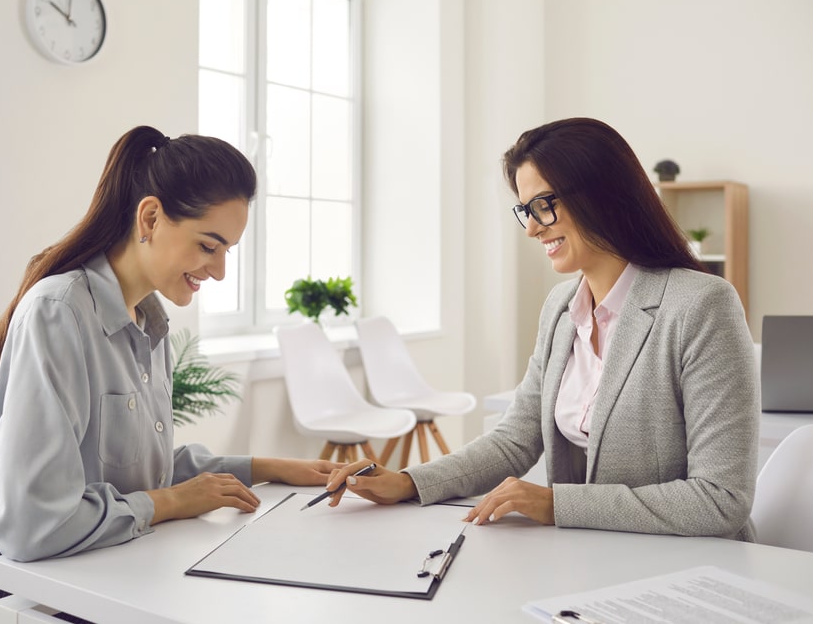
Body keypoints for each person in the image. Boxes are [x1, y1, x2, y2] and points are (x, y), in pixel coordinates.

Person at [0, 126, 339, 623]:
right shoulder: (59, 313)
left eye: (227, 251)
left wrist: (273, 468)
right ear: (151, 217)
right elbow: (37, 525)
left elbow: (137, 470)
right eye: (209, 246)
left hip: (100, 581)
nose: (219, 270)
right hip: (24, 598)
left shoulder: (148, 321)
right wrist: (173, 502)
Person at [325, 117, 760, 541]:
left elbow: (720, 499)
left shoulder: (702, 305)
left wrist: (556, 505)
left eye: (543, 206)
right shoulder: (560, 308)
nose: (532, 228)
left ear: (601, 195)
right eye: (525, 210)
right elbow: (514, 440)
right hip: (594, 557)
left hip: (688, 570)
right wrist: (408, 482)